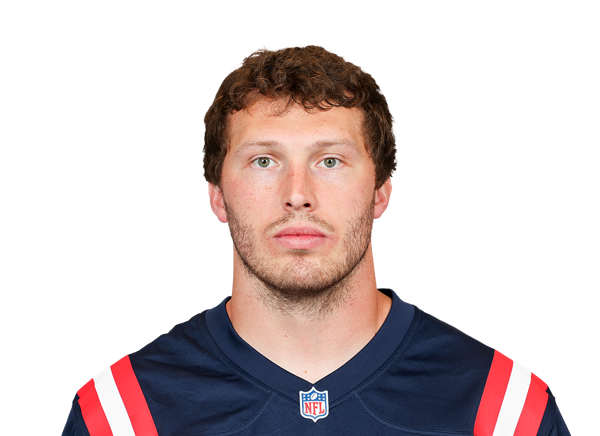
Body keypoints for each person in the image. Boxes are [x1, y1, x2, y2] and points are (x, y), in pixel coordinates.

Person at [62, 45, 570, 435]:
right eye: (264, 160)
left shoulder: (503, 411)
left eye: (330, 160)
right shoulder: (123, 415)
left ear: (381, 192)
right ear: (217, 196)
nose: (297, 195)